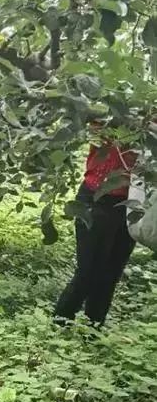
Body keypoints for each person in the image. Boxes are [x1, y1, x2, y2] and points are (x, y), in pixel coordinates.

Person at [54, 138, 138, 326]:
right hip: (96, 197)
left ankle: (93, 334)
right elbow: (96, 124)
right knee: (88, 272)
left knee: (110, 275)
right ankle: (58, 329)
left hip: (132, 202)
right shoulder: (114, 112)